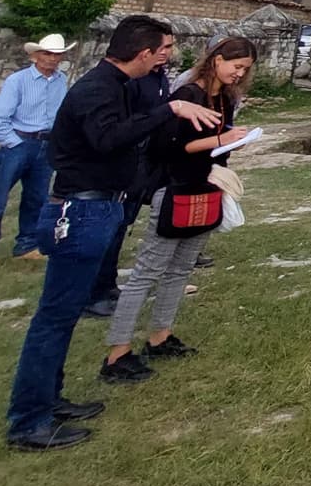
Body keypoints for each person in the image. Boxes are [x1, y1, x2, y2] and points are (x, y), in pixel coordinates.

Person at [3, 16, 221, 452]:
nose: (168, 57)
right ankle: (29, 422)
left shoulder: (115, 86)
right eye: (164, 49)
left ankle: (50, 399)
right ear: (144, 53)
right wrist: (170, 109)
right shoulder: (98, 89)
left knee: (62, 318)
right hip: (80, 210)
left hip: (97, 206)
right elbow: (107, 139)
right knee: (54, 318)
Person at [99, 37, 253, 382]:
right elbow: (169, 146)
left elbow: (214, 139)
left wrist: (231, 139)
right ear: (216, 60)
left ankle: (160, 335)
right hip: (174, 188)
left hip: (204, 185)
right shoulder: (188, 96)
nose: (239, 74)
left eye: (245, 69)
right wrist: (220, 141)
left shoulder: (224, 98)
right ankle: (117, 351)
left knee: (181, 268)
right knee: (147, 271)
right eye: (235, 66)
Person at [84, 28, 178, 319]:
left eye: (170, 47)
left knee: (122, 226)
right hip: (123, 160)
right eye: (162, 47)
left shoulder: (159, 77)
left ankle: (107, 285)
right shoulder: (129, 82)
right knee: (109, 229)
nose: (166, 52)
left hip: (143, 162)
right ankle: (92, 294)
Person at [0, 34, 73, 269]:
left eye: (56, 54)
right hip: (19, 141)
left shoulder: (60, 81)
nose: (52, 59)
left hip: (45, 143)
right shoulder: (18, 80)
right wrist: (13, 143)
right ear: (35, 55)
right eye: (47, 53)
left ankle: (27, 245)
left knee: (36, 198)